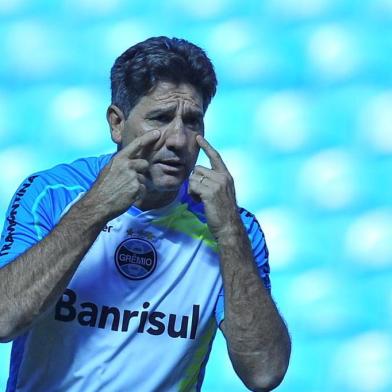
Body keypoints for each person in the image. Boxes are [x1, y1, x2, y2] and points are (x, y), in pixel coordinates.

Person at [0, 36, 291, 391]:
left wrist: (229, 233)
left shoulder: (232, 226)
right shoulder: (52, 194)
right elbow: (3, 319)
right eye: (161, 118)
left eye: (192, 121)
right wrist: (96, 209)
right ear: (117, 123)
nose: (178, 140)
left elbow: (264, 373)